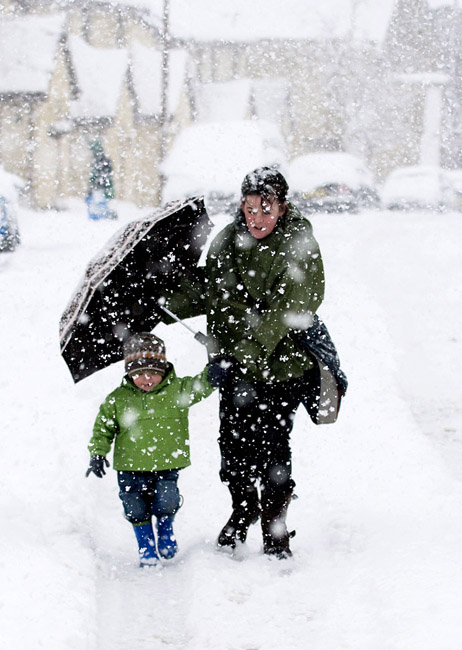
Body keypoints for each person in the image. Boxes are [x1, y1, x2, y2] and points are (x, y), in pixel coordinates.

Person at [167, 166, 326, 558]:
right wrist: (164, 298)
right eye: (250, 209)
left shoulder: (299, 244)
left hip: (282, 367)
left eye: (266, 210)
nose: (256, 218)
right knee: (234, 445)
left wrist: (239, 356)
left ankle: (275, 529)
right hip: (235, 367)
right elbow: (212, 292)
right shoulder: (227, 241)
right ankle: (243, 509)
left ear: (283, 207)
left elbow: (285, 314)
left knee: (273, 449)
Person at [86, 333, 215, 567]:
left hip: (166, 463)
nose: (147, 379)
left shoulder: (177, 390)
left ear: (164, 370)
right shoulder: (118, 399)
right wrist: (98, 453)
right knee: (135, 507)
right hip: (129, 466)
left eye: (154, 372)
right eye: (139, 374)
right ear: (129, 373)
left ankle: (165, 531)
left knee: (167, 500)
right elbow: (103, 428)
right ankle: (145, 547)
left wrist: (214, 370)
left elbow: (201, 386)